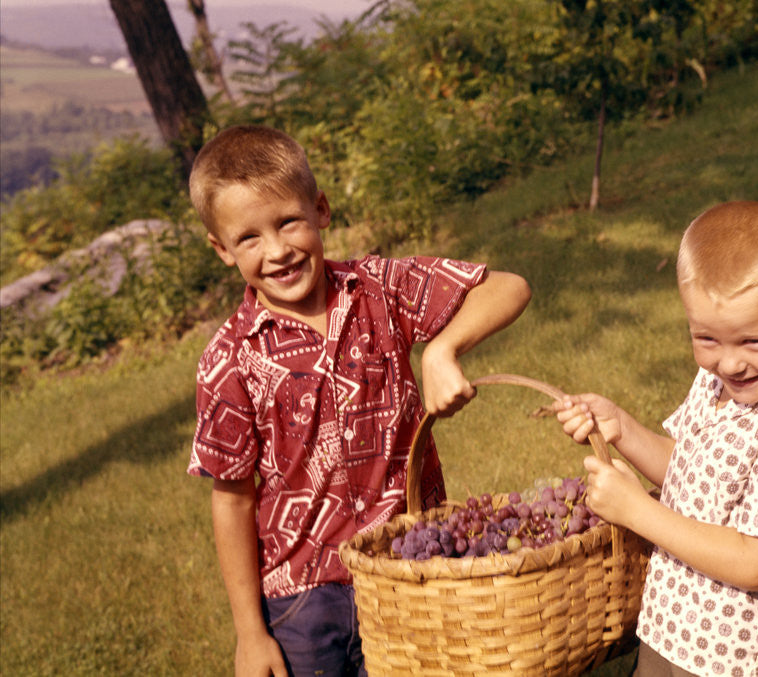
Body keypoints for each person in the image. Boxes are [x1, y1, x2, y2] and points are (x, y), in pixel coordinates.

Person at [186, 124, 532, 676]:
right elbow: (232, 500)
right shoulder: (228, 359)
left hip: (410, 563)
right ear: (222, 249)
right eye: (249, 238)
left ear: (321, 209)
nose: (277, 251)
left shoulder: (379, 290)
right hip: (303, 600)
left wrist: (440, 351)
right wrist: (251, 634)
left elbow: (508, 287)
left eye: (288, 222)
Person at [555, 201, 758, 676]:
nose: (730, 362)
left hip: (731, 657)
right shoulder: (718, 378)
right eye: (707, 339)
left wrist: (638, 511)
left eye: (754, 341)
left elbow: (755, 561)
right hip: (669, 626)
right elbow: (690, 472)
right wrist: (622, 429)